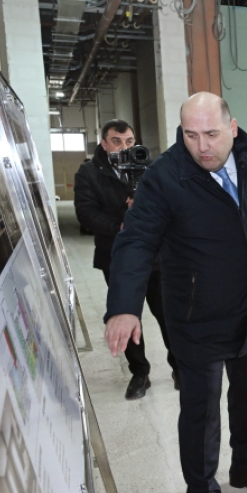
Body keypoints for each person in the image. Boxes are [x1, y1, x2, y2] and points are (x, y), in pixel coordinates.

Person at [103, 93, 247, 493]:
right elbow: (136, 240)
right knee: (201, 413)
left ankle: (246, 466)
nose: (202, 146)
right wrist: (125, 305)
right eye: (191, 135)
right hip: (196, 314)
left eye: (211, 134)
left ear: (232, 127)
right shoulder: (166, 176)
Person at [74, 119, 177, 400]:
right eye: (116, 141)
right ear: (104, 143)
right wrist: (123, 223)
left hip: (156, 256)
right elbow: (86, 213)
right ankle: (140, 373)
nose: (124, 147)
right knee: (126, 315)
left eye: (129, 141)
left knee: (168, 314)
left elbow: (170, 205)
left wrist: (146, 207)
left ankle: (180, 367)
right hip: (117, 257)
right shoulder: (89, 172)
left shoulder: (148, 166)